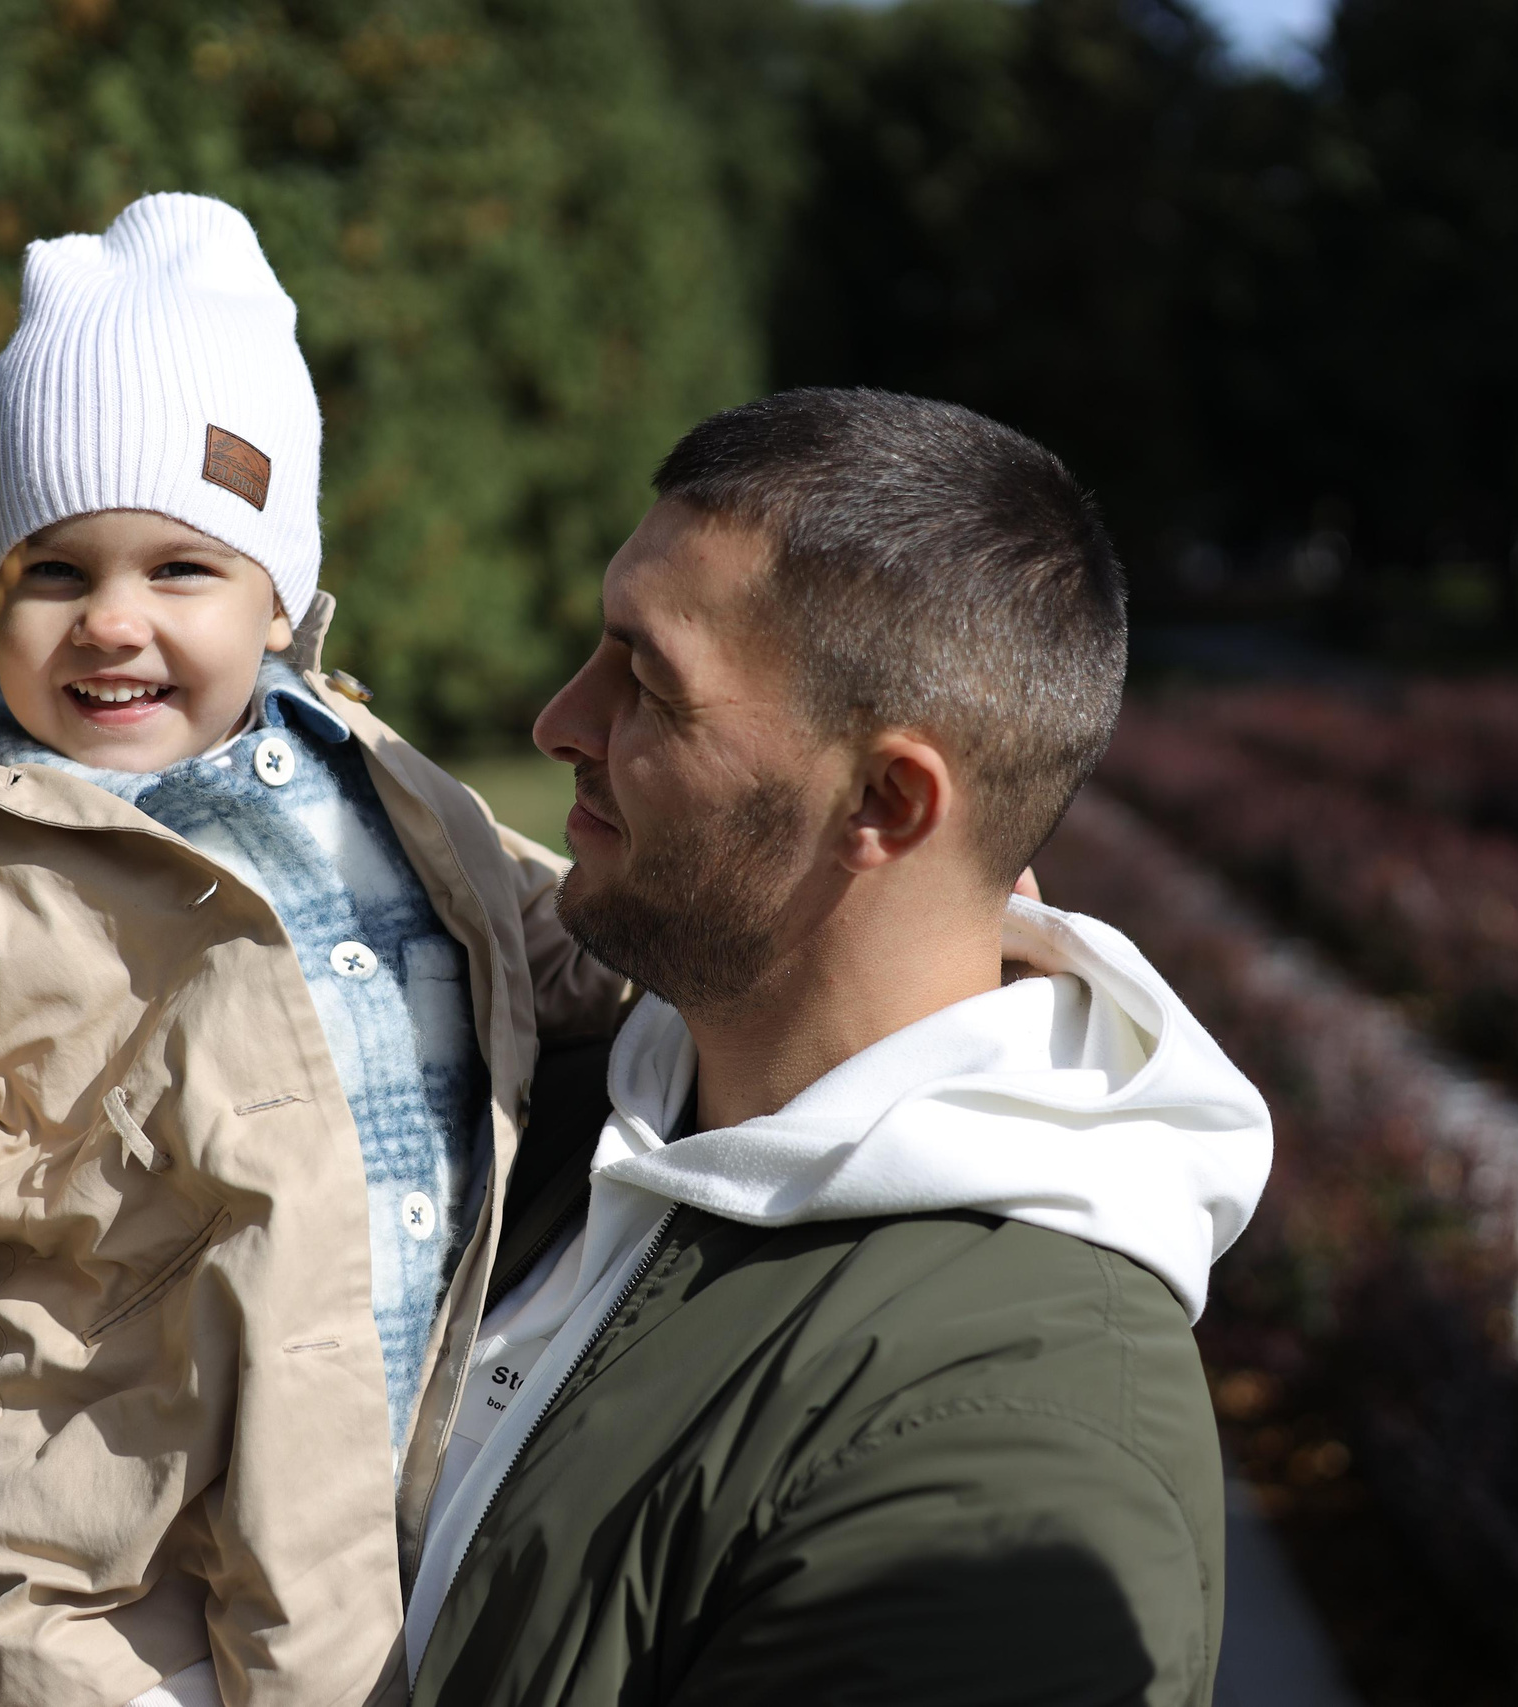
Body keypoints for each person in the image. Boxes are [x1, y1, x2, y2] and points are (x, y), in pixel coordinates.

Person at [0, 193, 623, 1707]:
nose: (112, 622)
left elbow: (578, 952)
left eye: (180, 569)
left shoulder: (392, 797)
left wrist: (868, 932)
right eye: (56, 572)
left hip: (378, 1509)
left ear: (280, 599)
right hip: (77, 1582)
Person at [406, 389, 1274, 1706]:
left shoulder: (1010, 1457)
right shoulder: (572, 1102)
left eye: (649, 685)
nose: (561, 722)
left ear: (883, 801)